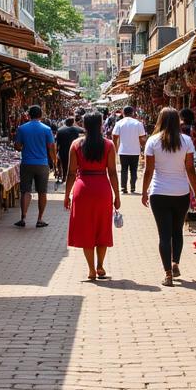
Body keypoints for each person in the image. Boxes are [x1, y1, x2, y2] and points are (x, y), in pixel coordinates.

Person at [141, 107, 196, 287]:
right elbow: (190, 169)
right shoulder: (187, 141)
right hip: (181, 192)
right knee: (177, 231)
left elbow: (148, 170)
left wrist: (144, 191)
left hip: (158, 193)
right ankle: (175, 264)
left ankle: (167, 274)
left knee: (164, 235)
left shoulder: (152, 141)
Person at [64, 112, 120, 281]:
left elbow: (71, 173)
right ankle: (100, 265)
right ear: (101, 124)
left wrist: (67, 195)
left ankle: (91, 269)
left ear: (85, 125)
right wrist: (117, 195)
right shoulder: (108, 145)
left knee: (86, 228)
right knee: (102, 227)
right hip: (102, 187)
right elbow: (112, 172)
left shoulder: (76, 144)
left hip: (83, 189)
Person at [14, 104, 56, 228]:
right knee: (42, 192)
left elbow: (17, 146)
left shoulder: (22, 128)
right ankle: (40, 219)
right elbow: (51, 147)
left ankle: (23, 218)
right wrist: (55, 161)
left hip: (27, 163)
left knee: (25, 191)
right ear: (41, 115)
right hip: (42, 164)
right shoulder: (47, 129)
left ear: (29, 115)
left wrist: (23, 146)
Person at [112, 106, 147, 194]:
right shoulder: (138, 123)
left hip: (123, 151)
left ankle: (124, 188)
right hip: (135, 151)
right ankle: (133, 188)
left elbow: (114, 136)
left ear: (123, 113)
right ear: (133, 113)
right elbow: (142, 138)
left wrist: (115, 149)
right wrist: (143, 150)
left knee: (124, 169)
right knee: (133, 170)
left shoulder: (119, 123)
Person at [55, 116, 84, 186]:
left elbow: (57, 143)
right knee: (74, 166)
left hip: (63, 151)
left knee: (64, 166)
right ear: (73, 122)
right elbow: (85, 131)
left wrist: (56, 152)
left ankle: (64, 178)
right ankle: (73, 179)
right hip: (74, 151)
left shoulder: (60, 130)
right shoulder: (76, 129)